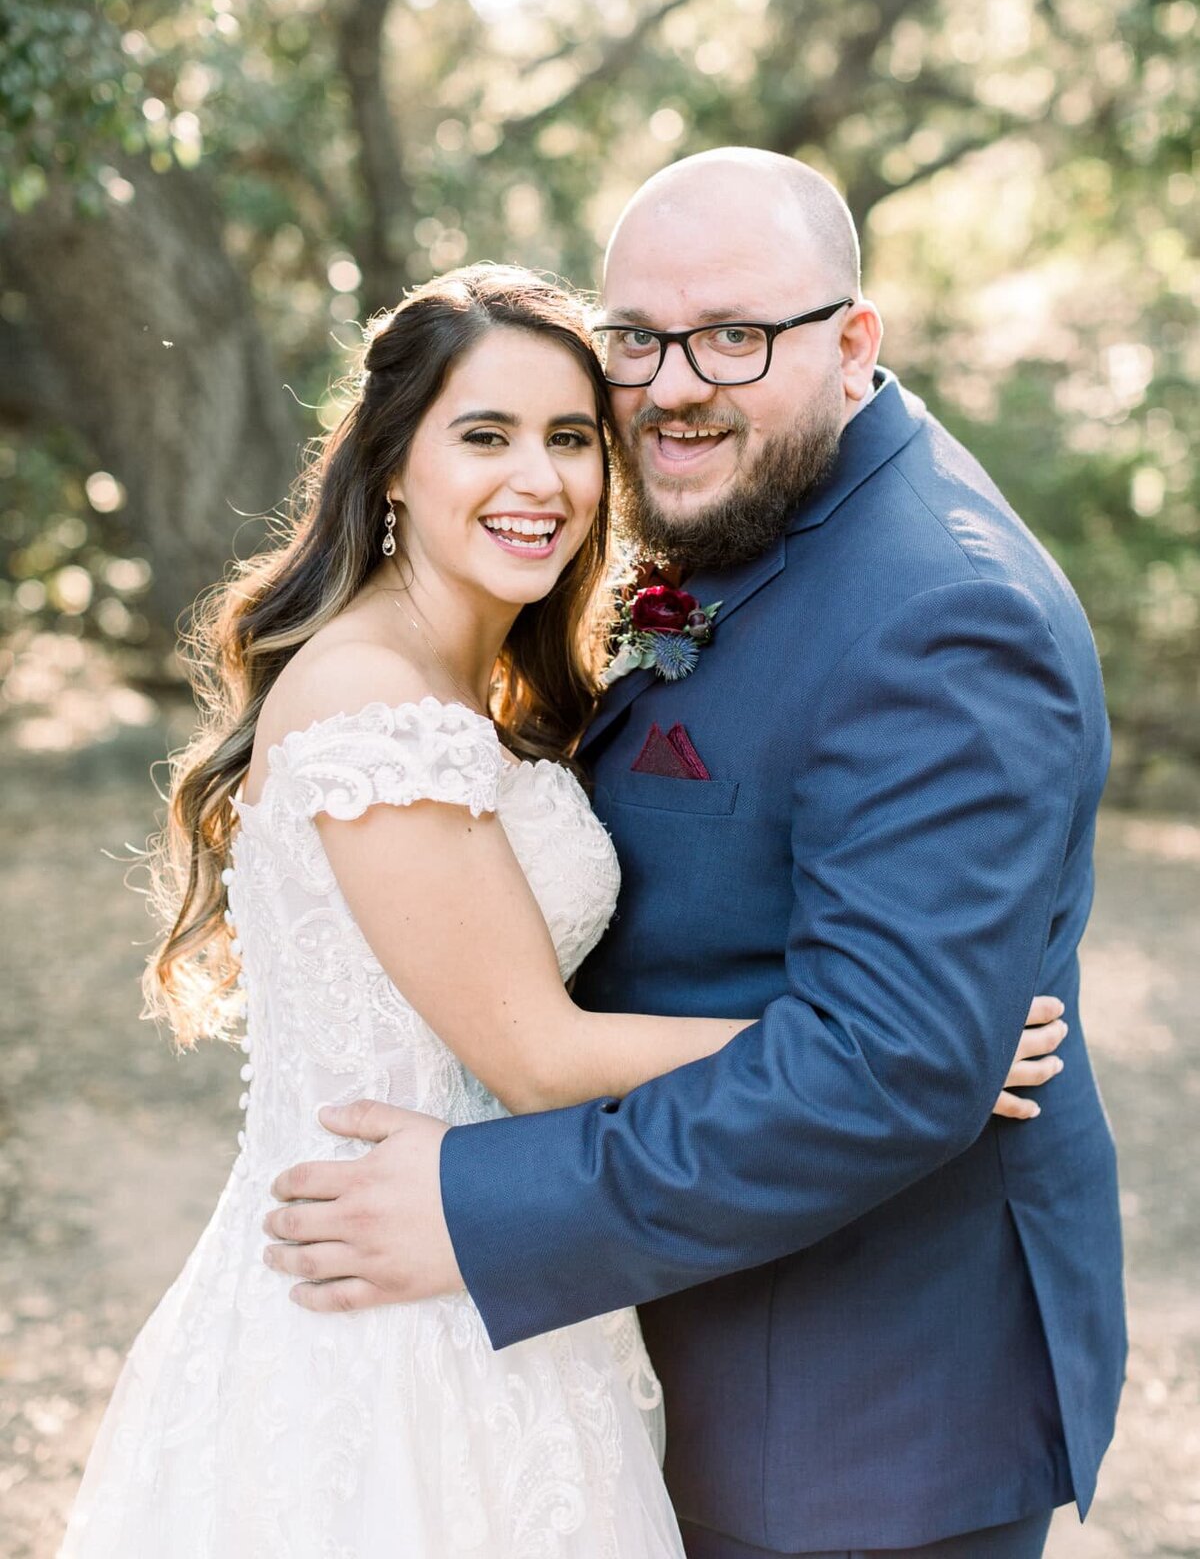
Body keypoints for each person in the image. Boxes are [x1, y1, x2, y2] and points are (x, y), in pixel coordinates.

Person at [60, 259, 1060, 1559]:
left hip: (506, 1273)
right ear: (391, 465)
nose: (541, 481)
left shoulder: (481, 686)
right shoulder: (372, 699)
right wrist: (901, 1047)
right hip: (380, 1314)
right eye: (486, 436)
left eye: (572, 439)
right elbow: (539, 1056)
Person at [265, 152, 1127, 1559]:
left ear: (853, 344)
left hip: (855, 1405)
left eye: (735, 335)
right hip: (642, 1336)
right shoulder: (741, 512)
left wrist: (484, 1207)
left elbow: (891, 1065)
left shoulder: (943, 618)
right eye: (639, 338)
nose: (673, 384)